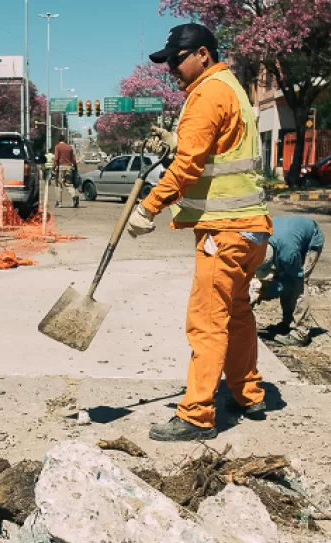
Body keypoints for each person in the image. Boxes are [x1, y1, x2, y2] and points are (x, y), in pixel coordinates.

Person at [127, 23, 272, 442]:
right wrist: (177, 141)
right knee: (239, 313)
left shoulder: (206, 93)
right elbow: (217, 149)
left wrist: (149, 207)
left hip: (223, 233)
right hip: (252, 230)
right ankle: (248, 394)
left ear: (203, 54)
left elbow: (190, 165)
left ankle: (196, 415)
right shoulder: (232, 88)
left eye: (176, 59)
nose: (171, 68)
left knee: (208, 321)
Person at [251, 216, 324, 347]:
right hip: (290, 236)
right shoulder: (258, 240)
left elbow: (294, 279)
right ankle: (287, 322)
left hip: (312, 238)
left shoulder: (287, 254)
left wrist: (272, 290)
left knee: (299, 284)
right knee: (285, 276)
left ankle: (300, 333)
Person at [52, 136, 79, 208]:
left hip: (61, 167)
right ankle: (74, 196)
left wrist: (53, 168)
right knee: (69, 184)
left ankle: (59, 203)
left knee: (58, 185)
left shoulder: (57, 147)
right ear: (64, 140)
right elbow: (73, 159)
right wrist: (75, 168)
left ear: (59, 140)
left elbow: (56, 158)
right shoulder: (69, 147)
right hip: (69, 167)